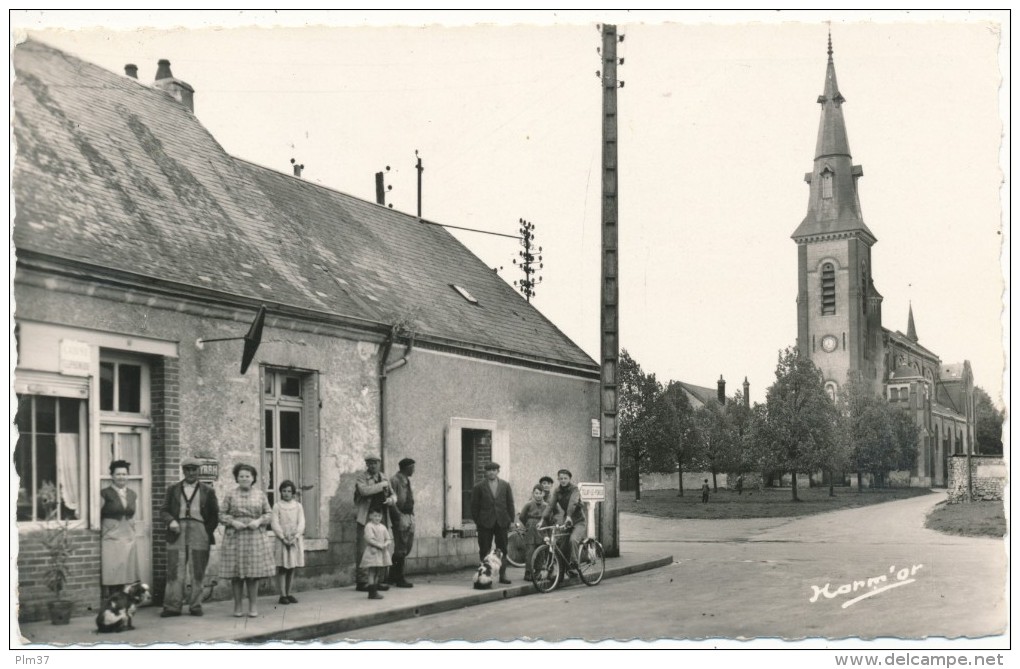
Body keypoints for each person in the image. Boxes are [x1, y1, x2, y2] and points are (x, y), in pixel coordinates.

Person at [160, 456, 220, 617]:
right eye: (188, 469)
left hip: (199, 531)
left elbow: (214, 515)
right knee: (175, 570)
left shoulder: (208, 491)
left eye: (194, 469)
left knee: (197, 570)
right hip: (176, 531)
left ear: (198, 471)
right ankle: (172, 606)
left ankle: (195, 605)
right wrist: (171, 521)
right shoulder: (172, 489)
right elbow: (164, 510)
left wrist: (207, 532)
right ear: (183, 471)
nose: (191, 473)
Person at [219, 463, 275, 617]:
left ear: (253, 478)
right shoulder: (230, 494)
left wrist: (258, 521)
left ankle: (253, 606)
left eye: (247, 476)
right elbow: (221, 514)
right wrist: (232, 522)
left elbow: (269, 514)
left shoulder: (260, 495)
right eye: (241, 476)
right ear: (237, 478)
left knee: (252, 574)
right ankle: (237, 607)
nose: (244, 478)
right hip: (235, 537)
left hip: (254, 536)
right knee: (236, 575)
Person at [354, 455, 396, 592]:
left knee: (382, 548)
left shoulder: (384, 477)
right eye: (370, 463)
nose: (372, 466)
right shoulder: (362, 478)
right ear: (366, 465)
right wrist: (381, 485)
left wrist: (391, 500)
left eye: (375, 463)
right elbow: (364, 491)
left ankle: (377, 581)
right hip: (366, 516)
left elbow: (393, 495)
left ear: (379, 464)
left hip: (381, 517)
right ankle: (362, 581)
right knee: (364, 549)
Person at [470, 461, 515, 585]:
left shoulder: (505, 485)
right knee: (484, 549)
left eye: (494, 470)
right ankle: (485, 575)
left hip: (501, 521)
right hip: (485, 523)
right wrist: (478, 521)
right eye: (489, 470)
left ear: (498, 471)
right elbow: (474, 506)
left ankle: (502, 574)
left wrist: (511, 521)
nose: (491, 472)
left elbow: (510, 504)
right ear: (486, 472)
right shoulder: (479, 486)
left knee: (503, 549)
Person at [100, 460, 140, 598]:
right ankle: (112, 602)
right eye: (118, 474)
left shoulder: (132, 494)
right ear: (112, 476)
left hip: (127, 536)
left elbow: (133, 514)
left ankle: (123, 602)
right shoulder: (104, 493)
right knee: (112, 571)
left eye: (124, 474)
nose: (121, 477)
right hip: (111, 537)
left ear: (128, 476)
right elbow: (97, 514)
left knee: (126, 572)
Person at [541, 469, 586, 574]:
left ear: (570, 479)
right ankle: (562, 573)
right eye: (561, 478)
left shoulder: (575, 489)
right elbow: (550, 505)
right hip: (567, 521)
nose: (563, 480)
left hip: (578, 521)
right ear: (558, 479)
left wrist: (569, 516)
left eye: (565, 478)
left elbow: (573, 503)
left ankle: (574, 565)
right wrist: (542, 519)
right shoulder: (557, 491)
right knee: (561, 546)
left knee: (573, 540)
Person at [270, 480, 305, 605]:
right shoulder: (277, 506)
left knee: (292, 567)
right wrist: (283, 537)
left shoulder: (298, 506)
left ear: (293, 493)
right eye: (284, 491)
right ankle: (282, 595)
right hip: (282, 540)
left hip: (294, 540)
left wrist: (295, 537)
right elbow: (274, 523)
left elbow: (301, 522)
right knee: (283, 567)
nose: (286, 493)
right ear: (280, 492)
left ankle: (289, 593)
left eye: (289, 491)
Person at [387, 458, 416, 588]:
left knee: (407, 546)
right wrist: (398, 516)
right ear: (406, 468)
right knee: (401, 547)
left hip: (409, 515)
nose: (413, 470)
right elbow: (391, 501)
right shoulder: (395, 480)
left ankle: (392, 576)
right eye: (412, 467)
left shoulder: (406, 480)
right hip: (401, 515)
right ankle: (399, 578)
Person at [515, 484, 548, 581]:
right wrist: (529, 524)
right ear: (533, 494)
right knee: (530, 552)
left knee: (540, 552)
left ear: (543, 494)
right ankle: (528, 573)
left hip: (541, 529)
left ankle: (538, 572)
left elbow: (549, 518)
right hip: (530, 530)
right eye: (536, 493)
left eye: (540, 493)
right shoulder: (528, 504)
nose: (538, 495)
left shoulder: (546, 506)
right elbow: (522, 517)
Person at [361, 508, 394, 600]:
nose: (377, 518)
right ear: (370, 516)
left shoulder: (382, 527)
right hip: (373, 551)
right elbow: (369, 539)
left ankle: (375, 590)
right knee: (372, 571)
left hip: (381, 552)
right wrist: (379, 545)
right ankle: (371, 592)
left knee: (378, 572)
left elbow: (388, 538)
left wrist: (386, 544)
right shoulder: (369, 526)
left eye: (379, 516)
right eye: (375, 516)